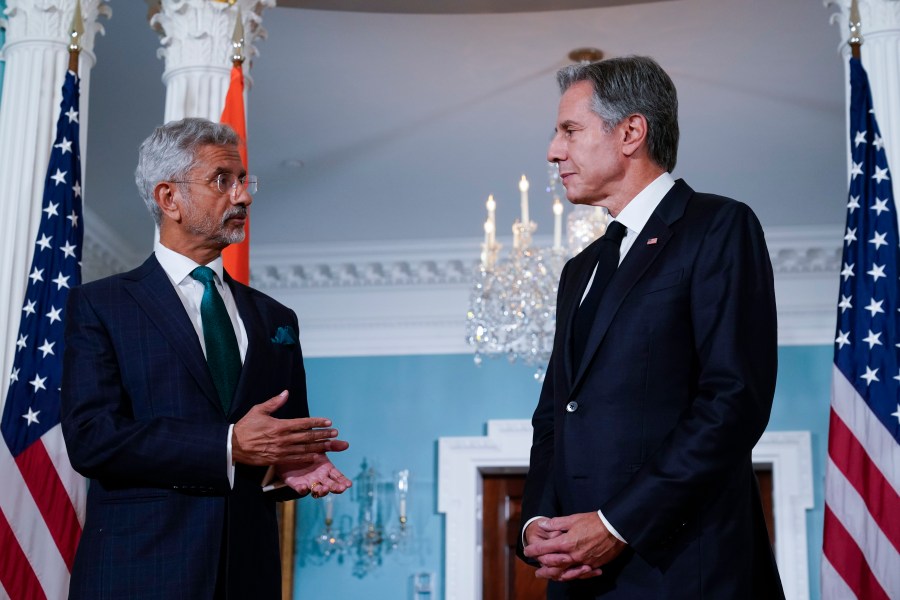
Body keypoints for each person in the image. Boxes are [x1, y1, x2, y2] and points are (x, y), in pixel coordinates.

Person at [518, 56, 784, 598]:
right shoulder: (580, 270)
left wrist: (617, 524)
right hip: (579, 579)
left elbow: (732, 402)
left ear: (631, 132)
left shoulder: (718, 226)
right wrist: (538, 524)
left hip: (686, 571)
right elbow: (553, 418)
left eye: (569, 130)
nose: (553, 151)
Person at [61, 118, 351, 599]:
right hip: (138, 575)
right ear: (168, 197)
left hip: (249, 575)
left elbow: (275, 442)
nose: (243, 196)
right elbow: (93, 439)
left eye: (243, 181)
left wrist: (289, 469)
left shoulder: (276, 318)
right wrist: (228, 444)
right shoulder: (101, 306)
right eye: (223, 181)